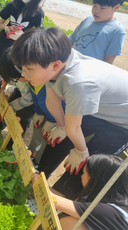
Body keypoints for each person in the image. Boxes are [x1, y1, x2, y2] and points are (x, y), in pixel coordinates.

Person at [11, 26, 128, 199]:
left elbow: (74, 128)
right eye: (23, 68)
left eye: (29, 69)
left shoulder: (77, 82)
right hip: (100, 108)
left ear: (55, 64)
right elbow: (52, 100)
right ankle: (39, 182)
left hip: (122, 122)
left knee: (87, 165)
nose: (24, 74)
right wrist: (61, 125)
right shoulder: (57, 64)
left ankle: (55, 203)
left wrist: (81, 152)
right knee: (58, 139)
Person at [32, 154, 128, 230]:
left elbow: (50, 198)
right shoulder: (116, 201)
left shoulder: (106, 211)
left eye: (83, 172)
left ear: (93, 179)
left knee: (70, 222)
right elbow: (65, 201)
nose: (81, 176)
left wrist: (33, 173)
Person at [0, 0, 44, 65]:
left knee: (7, 72)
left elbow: (38, 36)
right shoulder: (13, 4)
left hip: (18, 50)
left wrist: (23, 35)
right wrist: (7, 28)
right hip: (0, 45)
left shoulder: (38, 13)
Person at [69, 0, 126, 64]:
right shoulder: (88, 19)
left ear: (116, 8)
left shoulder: (117, 31)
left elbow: (108, 62)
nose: (96, 11)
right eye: (95, 6)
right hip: (69, 65)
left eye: (102, 8)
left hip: (90, 71)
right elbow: (71, 42)